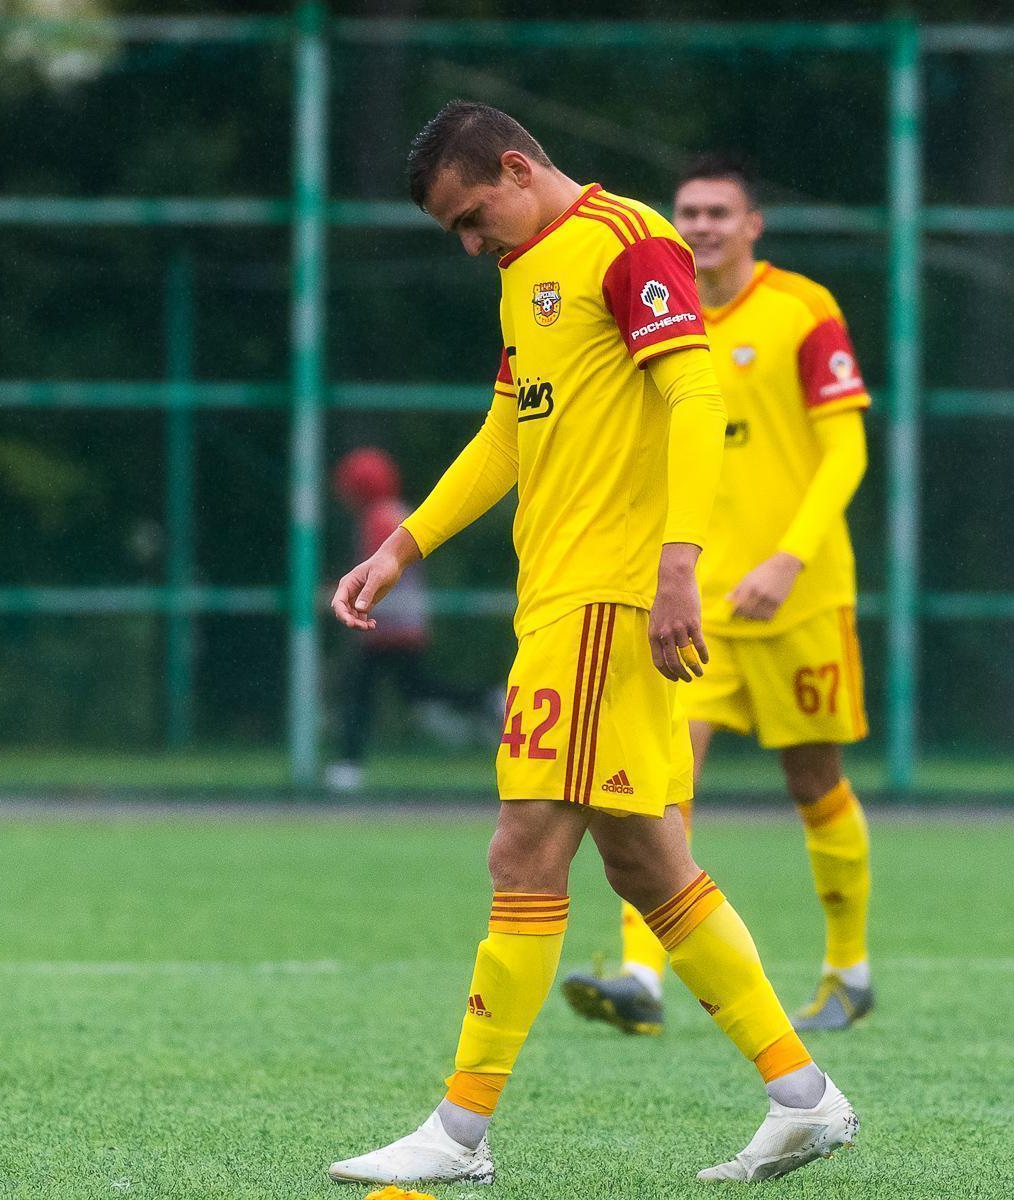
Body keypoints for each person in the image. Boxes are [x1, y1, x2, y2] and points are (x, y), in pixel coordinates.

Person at [325, 104, 857, 1187]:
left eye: (472, 216)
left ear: (517, 168)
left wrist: (677, 565)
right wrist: (403, 547)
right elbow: (505, 436)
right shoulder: (525, 271)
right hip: (562, 603)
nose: (470, 243)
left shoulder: (628, 241)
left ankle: (458, 1132)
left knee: (523, 848)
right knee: (648, 863)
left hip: (606, 604)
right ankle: (803, 1097)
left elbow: (696, 395)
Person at [561, 157, 876, 1037]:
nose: (700, 226)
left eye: (718, 212)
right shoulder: (658, 312)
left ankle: (848, 969)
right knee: (661, 781)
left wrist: (787, 560)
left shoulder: (802, 309)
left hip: (800, 598)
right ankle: (641, 977)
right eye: (689, 213)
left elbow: (847, 450)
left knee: (814, 782)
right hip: (692, 604)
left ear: (752, 224)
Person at [326, 447, 485, 791]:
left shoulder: (378, 517)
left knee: (363, 692)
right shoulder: (397, 511)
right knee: (415, 690)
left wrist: (342, 594)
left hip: (386, 624)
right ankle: (484, 701)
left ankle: (348, 767)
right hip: (401, 622)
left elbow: (375, 569)